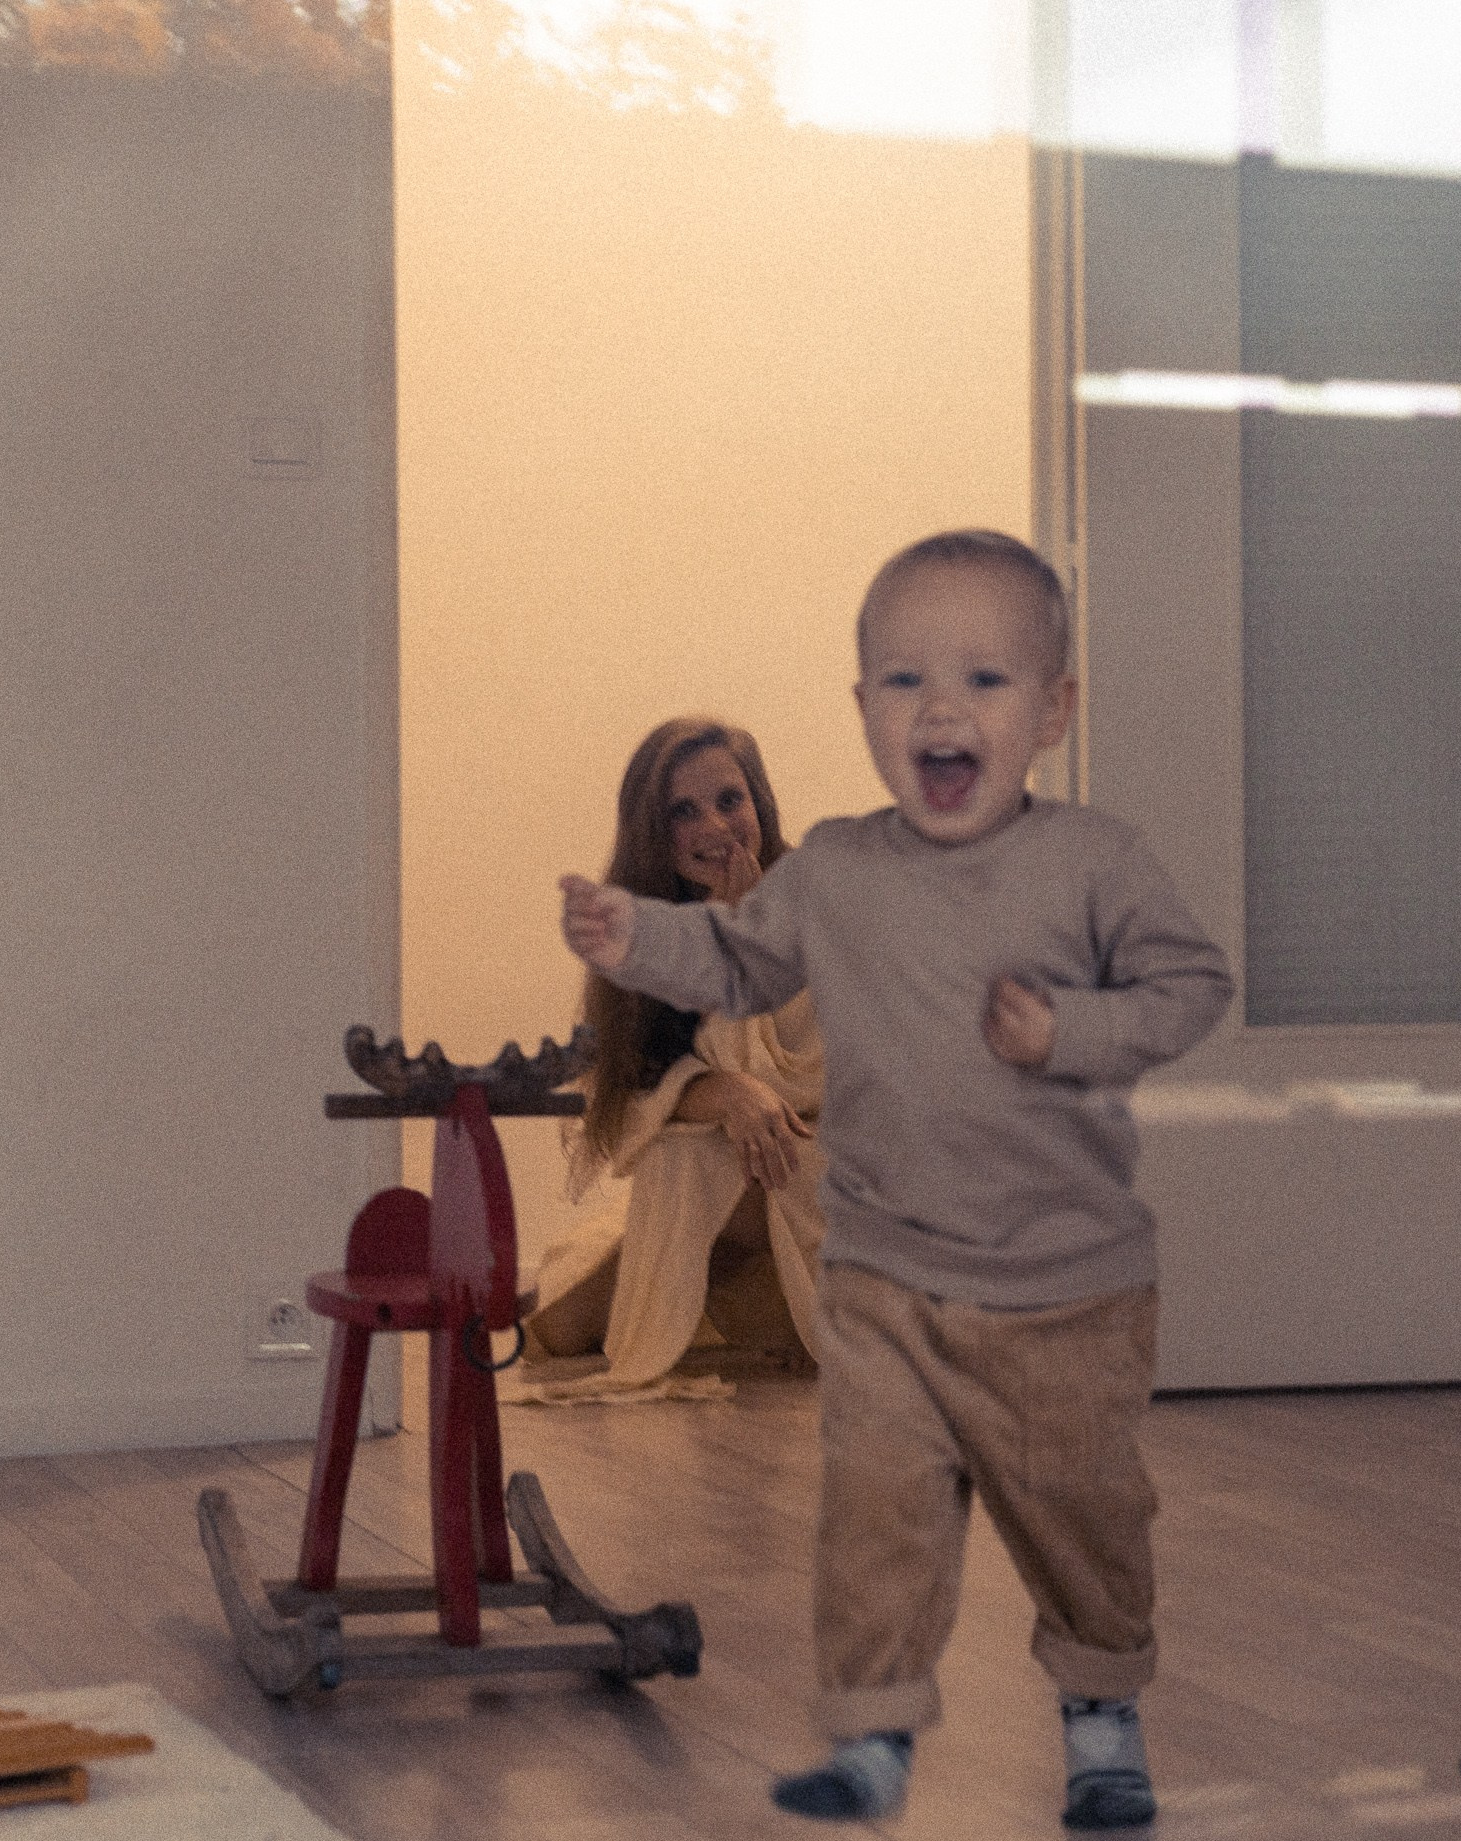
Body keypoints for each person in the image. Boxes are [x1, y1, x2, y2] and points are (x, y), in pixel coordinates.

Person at [560, 530, 1232, 1831]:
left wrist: (1075, 1034)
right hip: (882, 1272)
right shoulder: (837, 871)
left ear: (1053, 712)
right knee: (874, 1516)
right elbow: (735, 963)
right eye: (903, 680)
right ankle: (872, 1735)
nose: (940, 708)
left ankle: (1102, 1722)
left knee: (1080, 1513)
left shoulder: (1092, 862)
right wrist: (635, 932)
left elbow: (1190, 986)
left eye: (984, 680)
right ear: (861, 708)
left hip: (1062, 1289)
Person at [510, 719, 825, 1406]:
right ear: (655, 833)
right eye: (683, 810)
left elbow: (809, 1072)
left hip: (837, 1165)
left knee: (682, 1160)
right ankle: (732, 1291)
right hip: (738, 1167)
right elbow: (623, 1096)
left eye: (729, 800)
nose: (714, 825)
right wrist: (723, 1092)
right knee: (559, 1327)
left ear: (760, 805)